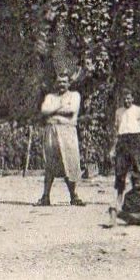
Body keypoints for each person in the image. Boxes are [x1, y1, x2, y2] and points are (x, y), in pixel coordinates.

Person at [38, 74, 85, 206]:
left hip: (67, 131)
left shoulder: (74, 95)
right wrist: (60, 108)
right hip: (51, 131)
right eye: (59, 82)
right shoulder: (50, 97)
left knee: (70, 161)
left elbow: (71, 110)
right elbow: (44, 110)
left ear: (69, 83)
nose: (61, 84)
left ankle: (74, 196)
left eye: (64, 82)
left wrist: (53, 112)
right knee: (50, 162)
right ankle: (45, 197)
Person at [112, 89, 140, 209]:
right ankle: (119, 197)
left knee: (139, 170)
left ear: (132, 99)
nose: (126, 100)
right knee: (120, 171)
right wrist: (113, 148)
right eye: (124, 98)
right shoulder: (119, 112)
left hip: (135, 141)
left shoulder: (139, 111)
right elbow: (116, 131)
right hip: (122, 141)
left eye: (129, 98)